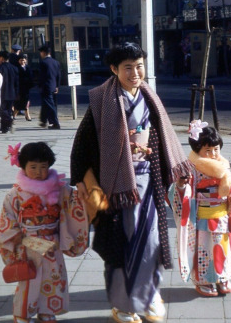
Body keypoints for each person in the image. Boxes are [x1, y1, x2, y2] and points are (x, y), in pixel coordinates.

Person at [70, 42, 191, 323]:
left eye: (139, 66)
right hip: (116, 186)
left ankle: (149, 296)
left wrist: (175, 169)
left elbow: (162, 138)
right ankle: (123, 306)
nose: (135, 73)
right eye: (128, 67)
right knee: (122, 243)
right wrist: (81, 181)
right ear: (114, 70)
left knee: (151, 242)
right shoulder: (103, 101)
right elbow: (83, 145)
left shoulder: (149, 97)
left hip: (149, 182)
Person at [0, 142, 92, 323]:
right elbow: (7, 220)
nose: (39, 172)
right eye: (33, 167)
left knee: (53, 278)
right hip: (28, 243)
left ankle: (47, 311)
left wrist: (84, 195)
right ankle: (22, 314)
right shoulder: (15, 194)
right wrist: (14, 244)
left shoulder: (60, 189)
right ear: (23, 167)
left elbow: (74, 202)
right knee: (29, 280)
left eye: (43, 167)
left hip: (52, 242)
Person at [168, 122, 231, 297]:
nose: (213, 154)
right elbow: (178, 193)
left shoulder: (224, 167)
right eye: (208, 150)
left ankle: (223, 277)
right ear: (197, 149)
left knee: (222, 248)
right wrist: (181, 186)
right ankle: (204, 280)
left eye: (216, 149)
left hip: (221, 215)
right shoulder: (191, 169)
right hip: (201, 217)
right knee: (204, 250)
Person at [38, 46, 61, 129]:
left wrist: (40, 86)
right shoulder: (56, 62)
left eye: (41, 52)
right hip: (53, 86)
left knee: (50, 105)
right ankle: (43, 121)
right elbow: (58, 75)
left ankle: (55, 123)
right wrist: (57, 86)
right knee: (46, 104)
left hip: (46, 87)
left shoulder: (43, 63)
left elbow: (42, 76)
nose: (40, 54)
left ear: (44, 53)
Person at [0, 50, 19, 133]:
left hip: (2, 92)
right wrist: (17, 93)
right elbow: (17, 82)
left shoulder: (0, 68)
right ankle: (4, 128)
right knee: (8, 110)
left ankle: (9, 121)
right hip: (12, 92)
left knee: (1, 110)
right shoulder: (14, 68)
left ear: (2, 58)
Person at [14, 54, 33, 121]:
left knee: (26, 101)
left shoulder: (28, 67)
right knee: (19, 102)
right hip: (19, 88)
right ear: (18, 61)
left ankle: (27, 115)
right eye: (21, 60)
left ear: (26, 60)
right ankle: (15, 115)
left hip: (26, 88)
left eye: (23, 60)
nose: (22, 61)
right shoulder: (16, 68)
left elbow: (31, 77)